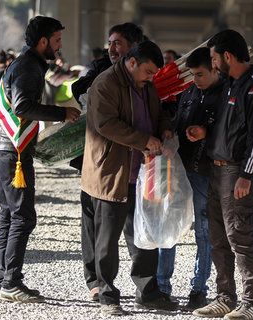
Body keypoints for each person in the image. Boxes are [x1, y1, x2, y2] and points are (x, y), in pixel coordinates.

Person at [81, 40, 178, 316]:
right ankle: (107, 295)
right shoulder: (105, 84)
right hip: (111, 171)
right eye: (148, 71)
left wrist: (165, 129)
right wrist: (143, 139)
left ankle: (147, 292)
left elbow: (158, 114)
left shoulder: (146, 85)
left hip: (143, 171)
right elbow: (105, 124)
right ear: (132, 62)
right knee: (107, 238)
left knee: (144, 234)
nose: (151, 78)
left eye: (154, 74)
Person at [0, 16, 80, 303]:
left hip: (4, 146)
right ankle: (11, 281)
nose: (59, 46)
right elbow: (23, 106)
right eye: (56, 40)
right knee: (23, 216)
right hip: (12, 150)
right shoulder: (29, 66)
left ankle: (4, 277)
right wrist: (61, 113)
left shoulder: (26, 62)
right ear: (43, 41)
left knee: (9, 214)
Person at [186, 29, 253, 320]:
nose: (212, 65)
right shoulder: (228, 85)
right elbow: (230, 127)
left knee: (241, 236)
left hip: (238, 173)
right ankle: (225, 297)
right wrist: (205, 133)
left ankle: (251, 303)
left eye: (213, 59)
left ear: (227, 56)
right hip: (216, 169)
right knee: (218, 237)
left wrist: (247, 175)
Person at [72, 22, 143, 302]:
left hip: (135, 162)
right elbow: (80, 91)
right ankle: (96, 282)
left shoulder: (147, 71)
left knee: (134, 224)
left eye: (118, 44)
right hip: (97, 160)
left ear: (134, 47)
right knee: (94, 223)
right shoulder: (99, 68)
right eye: (110, 43)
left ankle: (146, 285)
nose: (112, 49)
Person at [156, 47, 222, 311]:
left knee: (204, 232)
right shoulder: (189, 92)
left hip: (207, 173)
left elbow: (237, 134)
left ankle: (199, 288)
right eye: (192, 75)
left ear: (215, 69)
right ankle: (162, 286)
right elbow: (176, 122)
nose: (195, 80)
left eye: (200, 75)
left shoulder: (228, 95)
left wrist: (207, 132)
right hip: (179, 170)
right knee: (169, 226)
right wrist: (171, 133)